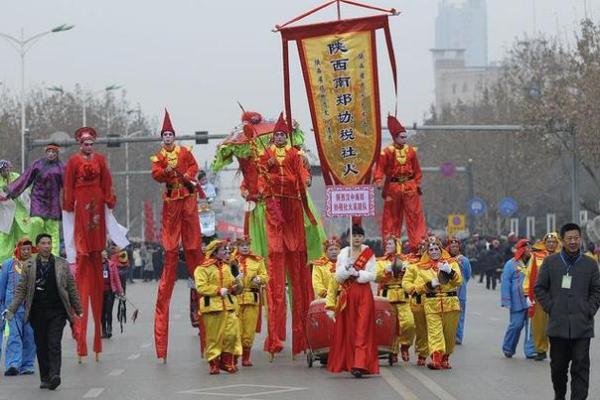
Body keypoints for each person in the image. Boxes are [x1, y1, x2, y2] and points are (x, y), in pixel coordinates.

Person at [258, 113, 315, 359]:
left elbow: (301, 175)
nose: (280, 137)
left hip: (292, 208)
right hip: (274, 209)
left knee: (299, 271)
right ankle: (275, 338)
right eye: (277, 135)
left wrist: (305, 179)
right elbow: (260, 180)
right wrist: (266, 175)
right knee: (276, 274)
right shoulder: (265, 155)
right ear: (273, 137)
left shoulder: (294, 155)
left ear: (287, 136)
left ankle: (302, 337)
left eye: (283, 134)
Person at [151, 109, 203, 362]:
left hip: (188, 198)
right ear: (162, 138)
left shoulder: (184, 152)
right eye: (165, 134)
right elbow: (156, 174)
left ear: (175, 136)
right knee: (171, 248)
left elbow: (194, 167)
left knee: (193, 246)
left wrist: (188, 176)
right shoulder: (159, 156)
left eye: (171, 134)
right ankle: (161, 346)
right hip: (172, 201)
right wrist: (166, 171)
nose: (169, 137)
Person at [62, 127, 117, 362]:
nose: (88, 146)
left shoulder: (101, 160)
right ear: (79, 144)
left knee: (96, 232)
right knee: (84, 241)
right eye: (85, 143)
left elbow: (107, 182)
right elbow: (68, 185)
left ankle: (96, 249)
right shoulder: (73, 162)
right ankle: (82, 340)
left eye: (91, 143)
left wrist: (109, 199)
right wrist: (67, 204)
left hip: (96, 197)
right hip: (81, 200)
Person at [2, 233, 82, 390]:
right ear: (37, 247)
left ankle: (55, 375)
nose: (47, 246)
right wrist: (11, 309)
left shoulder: (62, 264)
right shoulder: (29, 265)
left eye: (49, 243)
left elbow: (71, 288)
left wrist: (78, 309)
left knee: (54, 343)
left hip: (57, 312)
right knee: (41, 345)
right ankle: (45, 377)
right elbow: (21, 290)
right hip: (37, 312)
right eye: (43, 243)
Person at [535, 223, 600, 400]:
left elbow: (597, 290)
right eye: (569, 238)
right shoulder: (550, 262)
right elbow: (539, 288)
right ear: (562, 241)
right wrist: (551, 307)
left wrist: (589, 309)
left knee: (581, 367)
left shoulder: (590, 263)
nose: (573, 242)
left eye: (576, 238)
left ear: (581, 239)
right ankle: (560, 395)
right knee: (558, 368)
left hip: (582, 326)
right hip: (558, 326)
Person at [325, 224, 379, 378]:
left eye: (359, 235)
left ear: (363, 237)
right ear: (349, 237)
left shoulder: (368, 253)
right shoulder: (343, 254)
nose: (357, 238)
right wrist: (345, 270)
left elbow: (373, 275)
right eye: (354, 235)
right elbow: (337, 277)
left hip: (363, 294)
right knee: (350, 329)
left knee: (362, 329)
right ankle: (350, 362)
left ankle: (360, 364)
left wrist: (358, 273)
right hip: (347, 294)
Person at [407, 237, 462, 370]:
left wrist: (450, 271)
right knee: (434, 332)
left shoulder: (451, 263)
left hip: (451, 303)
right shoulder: (422, 268)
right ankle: (436, 359)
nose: (434, 251)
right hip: (432, 303)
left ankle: (445, 358)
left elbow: (458, 281)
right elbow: (417, 288)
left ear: (441, 249)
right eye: (431, 249)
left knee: (449, 334)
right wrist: (429, 285)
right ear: (428, 252)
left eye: (436, 248)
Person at [373, 115, 426, 251]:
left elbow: (417, 170)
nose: (404, 139)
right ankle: (391, 247)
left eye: (405, 137)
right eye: (401, 137)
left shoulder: (411, 152)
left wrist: (418, 183)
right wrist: (378, 180)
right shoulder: (386, 153)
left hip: (410, 187)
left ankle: (418, 245)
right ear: (395, 137)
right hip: (393, 188)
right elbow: (379, 168)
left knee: (414, 216)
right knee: (392, 218)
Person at [0, 145, 64, 256]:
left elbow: (69, 186)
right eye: (49, 151)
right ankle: (28, 255)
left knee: (51, 231)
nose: (51, 154)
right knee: (35, 224)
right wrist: (10, 190)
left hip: (51, 206)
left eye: (53, 152)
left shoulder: (62, 168)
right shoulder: (38, 164)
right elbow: (25, 179)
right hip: (37, 204)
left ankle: (53, 258)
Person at [194, 239, 243, 374]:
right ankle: (214, 363)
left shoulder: (228, 267)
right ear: (215, 252)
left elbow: (236, 288)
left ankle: (226, 362)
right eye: (222, 250)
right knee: (214, 337)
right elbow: (201, 287)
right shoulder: (202, 268)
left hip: (229, 306)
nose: (226, 252)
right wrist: (217, 290)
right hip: (212, 307)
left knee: (231, 335)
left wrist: (239, 280)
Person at [0, 238, 36, 376]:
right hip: (13, 308)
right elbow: (2, 286)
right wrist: (3, 305)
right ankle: (13, 364)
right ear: (18, 249)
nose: (26, 252)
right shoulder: (9, 264)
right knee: (14, 335)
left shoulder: (35, 265)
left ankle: (27, 365)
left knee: (30, 336)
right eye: (23, 249)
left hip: (31, 308)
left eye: (28, 249)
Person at [376, 235, 414, 363]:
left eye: (390, 244)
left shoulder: (407, 260)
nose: (387, 246)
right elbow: (375, 276)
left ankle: (405, 345)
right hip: (387, 297)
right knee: (390, 326)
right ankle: (392, 350)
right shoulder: (381, 261)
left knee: (409, 323)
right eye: (386, 244)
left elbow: (414, 274)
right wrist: (385, 271)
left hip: (404, 296)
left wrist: (407, 269)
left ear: (397, 245)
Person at [524, 232, 560, 361]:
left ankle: (557, 350)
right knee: (539, 324)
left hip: (557, 296)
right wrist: (527, 293)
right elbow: (530, 274)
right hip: (540, 295)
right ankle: (540, 349)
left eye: (553, 242)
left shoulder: (563, 256)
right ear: (544, 243)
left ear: (557, 243)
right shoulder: (536, 256)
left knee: (557, 324)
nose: (551, 244)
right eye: (548, 242)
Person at [233, 235, 268, 367]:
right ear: (238, 247)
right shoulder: (232, 261)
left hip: (252, 299)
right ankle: (235, 357)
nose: (245, 248)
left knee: (249, 330)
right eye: (242, 245)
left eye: (247, 245)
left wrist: (259, 279)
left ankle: (246, 357)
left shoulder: (257, 261)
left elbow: (265, 276)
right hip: (236, 299)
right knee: (236, 330)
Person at [0, 160, 44, 263]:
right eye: (2, 170)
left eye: (6, 169)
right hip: (5, 215)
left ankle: (26, 260)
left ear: (10, 168)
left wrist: (15, 193)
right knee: (4, 238)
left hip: (20, 214)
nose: (4, 171)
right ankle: (3, 262)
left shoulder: (16, 176)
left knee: (24, 236)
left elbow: (24, 191)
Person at [500, 239, 536, 359]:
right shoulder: (511, 264)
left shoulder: (535, 262)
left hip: (532, 300)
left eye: (530, 248)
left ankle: (530, 351)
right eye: (527, 248)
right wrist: (506, 301)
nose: (529, 250)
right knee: (516, 325)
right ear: (521, 249)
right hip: (517, 301)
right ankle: (508, 348)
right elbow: (505, 283)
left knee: (531, 327)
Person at [402, 237, 430, 366]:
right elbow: (406, 282)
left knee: (434, 330)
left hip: (436, 301)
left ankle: (435, 353)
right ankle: (420, 352)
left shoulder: (437, 264)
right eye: (423, 246)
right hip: (418, 301)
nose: (425, 248)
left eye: (427, 246)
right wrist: (414, 289)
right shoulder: (413, 266)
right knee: (419, 328)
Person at [447, 237, 472, 345]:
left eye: (456, 246)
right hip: (447, 293)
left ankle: (458, 337)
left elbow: (467, 275)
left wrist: (461, 283)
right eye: (452, 246)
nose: (454, 248)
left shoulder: (464, 260)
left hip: (460, 292)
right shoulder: (445, 259)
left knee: (460, 316)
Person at [100, 249, 124, 339]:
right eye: (103, 252)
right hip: (99, 292)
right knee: (101, 312)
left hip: (110, 291)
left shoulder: (111, 264)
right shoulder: (96, 265)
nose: (105, 253)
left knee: (108, 311)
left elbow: (117, 278)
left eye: (106, 252)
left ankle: (109, 328)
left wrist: (120, 291)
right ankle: (103, 330)